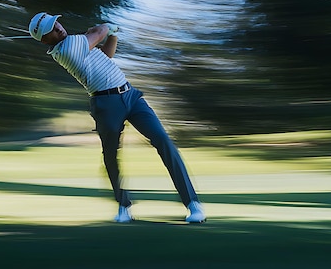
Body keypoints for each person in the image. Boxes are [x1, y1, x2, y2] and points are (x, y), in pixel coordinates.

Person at [28, 12, 206, 223]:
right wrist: (106, 27)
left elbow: (106, 55)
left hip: (131, 96)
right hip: (106, 105)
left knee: (163, 141)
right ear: (46, 40)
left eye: (56, 23)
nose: (58, 28)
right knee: (111, 155)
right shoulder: (67, 48)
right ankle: (123, 205)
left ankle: (193, 203)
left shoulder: (77, 43)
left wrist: (113, 36)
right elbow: (99, 31)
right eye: (51, 30)